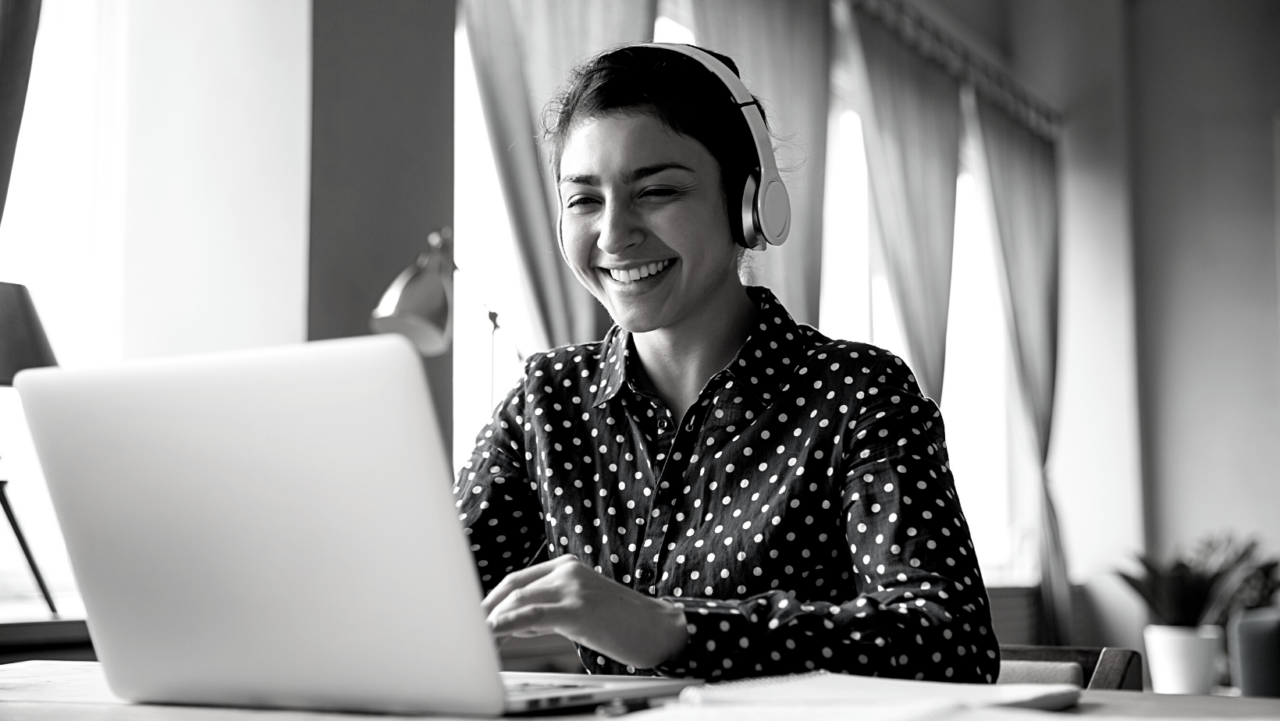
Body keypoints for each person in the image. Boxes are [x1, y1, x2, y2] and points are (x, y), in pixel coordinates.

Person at [454, 43, 999, 683]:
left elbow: (949, 640)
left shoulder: (859, 394)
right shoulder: (547, 401)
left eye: (656, 190)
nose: (612, 234)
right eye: (584, 200)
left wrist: (671, 628)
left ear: (748, 203)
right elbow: (425, 602)